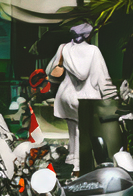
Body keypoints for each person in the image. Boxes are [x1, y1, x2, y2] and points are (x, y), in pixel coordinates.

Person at [45, 23, 117, 174]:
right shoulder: (93, 50)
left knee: (73, 128)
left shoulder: (64, 48)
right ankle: (82, 163)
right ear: (88, 35)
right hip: (86, 97)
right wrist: (113, 98)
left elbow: (49, 71)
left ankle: (72, 159)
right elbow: (103, 78)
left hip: (66, 96)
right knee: (85, 130)